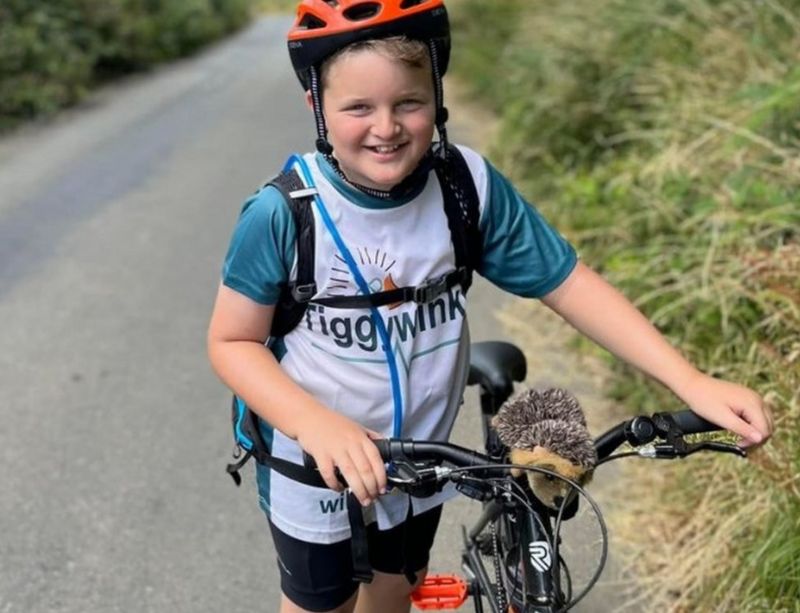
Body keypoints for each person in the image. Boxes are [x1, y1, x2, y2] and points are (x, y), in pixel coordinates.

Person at [207, 1, 773, 612]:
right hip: (315, 466)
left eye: (409, 103)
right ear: (317, 106)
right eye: (358, 108)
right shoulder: (285, 212)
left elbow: (569, 284)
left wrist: (689, 380)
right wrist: (315, 424)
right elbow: (232, 342)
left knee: (394, 596)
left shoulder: (463, 186)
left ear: (438, 95)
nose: (387, 127)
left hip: (420, 461)